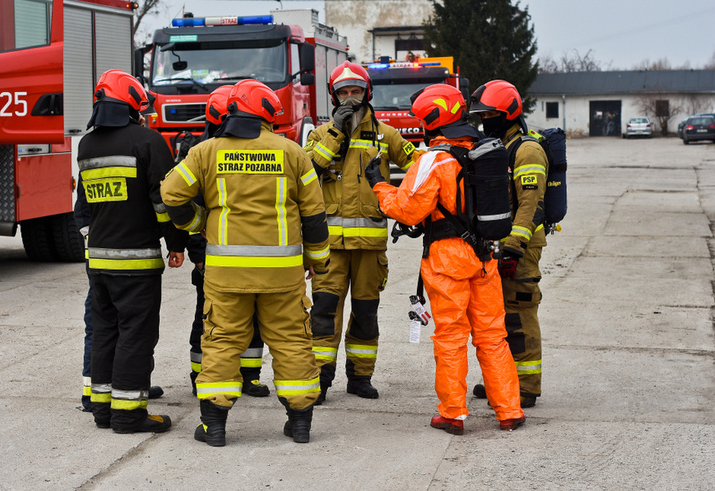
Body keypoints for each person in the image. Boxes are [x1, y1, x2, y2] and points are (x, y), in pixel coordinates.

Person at [162, 79, 330, 446]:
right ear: (269, 116)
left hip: (227, 273)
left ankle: (214, 426)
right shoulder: (292, 152)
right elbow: (315, 215)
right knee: (291, 340)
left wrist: (197, 222)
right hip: (282, 274)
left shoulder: (206, 152)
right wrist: (318, 259)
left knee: (222, 340)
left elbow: (171, 194)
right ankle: (300, 423)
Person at [365, 84, 525, 434]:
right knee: (492, 335)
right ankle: (509, 410)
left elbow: (407, 210)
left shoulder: (434, 159)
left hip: (447, 261)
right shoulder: (483, 152)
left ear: (431, 120)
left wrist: (378, 184)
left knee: (451, 337)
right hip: (485, 257)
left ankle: (453, 413)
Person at [77, 69, 187, 434]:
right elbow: (164, 202)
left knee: (105, 332)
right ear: (131, 105)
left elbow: (87, 204)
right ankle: (128, 415)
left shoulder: (87, 146)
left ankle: (103, 409)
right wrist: (176, 243)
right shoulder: (148, 141)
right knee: (135, 335)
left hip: (98, 260)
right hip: (137, 262)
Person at [303, 61, 421, 402]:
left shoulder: (386, 135)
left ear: (367, 93)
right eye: (344, 93)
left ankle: (360, 377)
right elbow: (306, 171)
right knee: (323, 315)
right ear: (334, 97)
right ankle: (320, 380)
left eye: (356, 91)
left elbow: (419, 169)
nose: (351, 98)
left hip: (370, 249)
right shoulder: (319, 135)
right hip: (329, 249)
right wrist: (336, 132)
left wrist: (404, 204)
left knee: (366, 315)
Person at [186, 85, 270, 398]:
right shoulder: (201, 154)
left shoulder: (255, 151)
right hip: (212, 255)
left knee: (254, 316)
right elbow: (188, 206)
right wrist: (198, 254)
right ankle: (201, 375)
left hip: (251, 251)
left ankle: (249, 375)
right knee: (207, 318)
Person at [469, 80, 548, 409]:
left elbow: (530, 203)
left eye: (491, 115)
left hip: (521, 247)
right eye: (482, 116)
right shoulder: (497, 147)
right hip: (497, 246)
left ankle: (526, 387)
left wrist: (514, 246)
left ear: (510, 114)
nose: (485, 121)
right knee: (497, 318)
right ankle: (502, 381)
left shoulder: (527, 150)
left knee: (518, 314)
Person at [73, 175, 163, 413]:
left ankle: (130, 385)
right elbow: (83, 211)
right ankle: (95, 396)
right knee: (104, 328)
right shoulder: (106, 158)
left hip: (107, 255)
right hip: (108, 258)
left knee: (125, 330)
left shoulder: (97, 158)